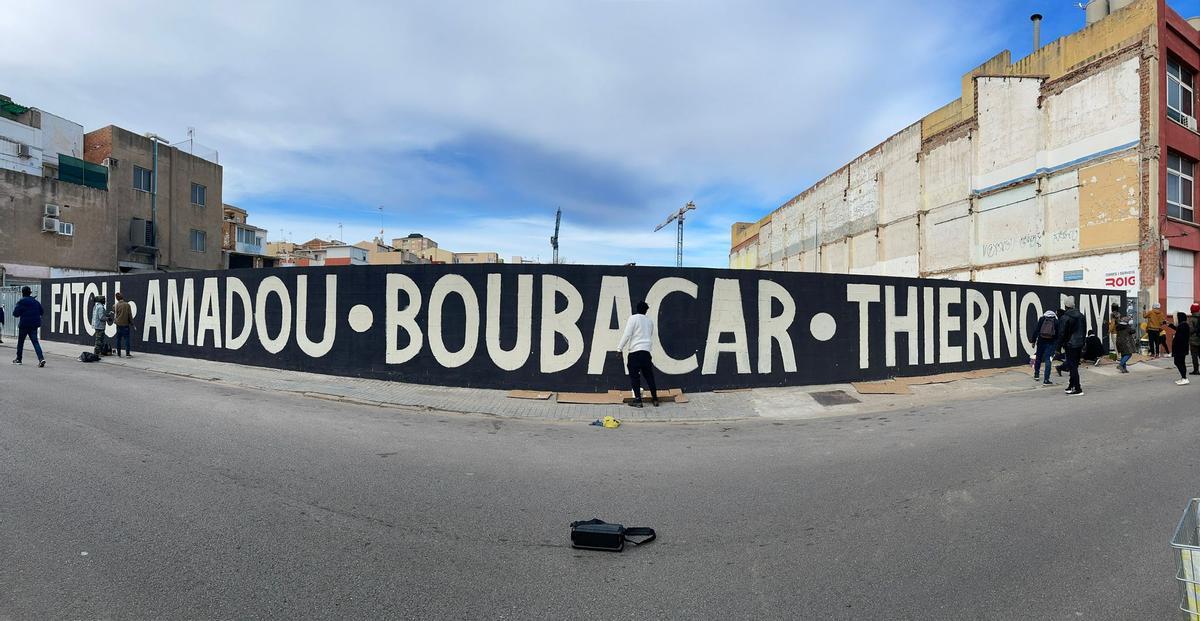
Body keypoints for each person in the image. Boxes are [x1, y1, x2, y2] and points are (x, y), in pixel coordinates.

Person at [617, 301, 659, 408]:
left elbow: (627, 334)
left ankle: (638, 400)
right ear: (646, 310)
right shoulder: (650, 322)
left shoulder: (633, 318)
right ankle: (655, 398)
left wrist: (619, 348)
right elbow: (648, 335)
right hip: (646, 352)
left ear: (637, 309)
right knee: (649, 376)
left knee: (635, 377)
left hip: (635, 352)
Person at [1058, 297, 1086, 395]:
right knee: (1073, 366)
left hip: (1070, 344)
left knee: (1072, 366)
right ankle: (1071, 386)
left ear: (1065, 306)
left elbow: (1061, 333)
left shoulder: (1065, 317)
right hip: (1079, 344)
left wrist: (1058, 347)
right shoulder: (1081, 316)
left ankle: (1078, 388)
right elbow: (1084, 330)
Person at [11, 286, 45, 367]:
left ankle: (19, 359)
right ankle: (41, 359)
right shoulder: (35, 302)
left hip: (24, 325)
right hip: (34, 325)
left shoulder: (21, 302)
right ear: (30, 293)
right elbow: (42, 311)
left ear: (23, 293)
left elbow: (15, 314)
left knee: (20, 343)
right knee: (35, 342)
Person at [1031, 310, 1058, 385]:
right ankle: (1046, 380)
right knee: (1048, 360)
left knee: (1038, 358)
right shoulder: (1056, 321)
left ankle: (1036, 375)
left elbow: (1036, 330)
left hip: (1040, 342)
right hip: (1050, 343)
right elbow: (1057, 334)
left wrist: (1033, 341)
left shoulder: (1042, 319)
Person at [1112, 303, 1135, 373]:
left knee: (1123, 355)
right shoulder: (1127, 327)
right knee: (1128, 354)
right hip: (1126, 342)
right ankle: (1120, 365)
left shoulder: (1118, 326)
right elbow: (1132, 331)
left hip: (1119, 342)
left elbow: (1116, 320)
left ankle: (1124, 369)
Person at [1170, 311, 1192, 385]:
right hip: (1181, 348)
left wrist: (1175, 339)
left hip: (1180, 348)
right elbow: (1178, 329)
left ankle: (1184, 378)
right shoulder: (1183, 325)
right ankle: (1183, 378)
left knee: (1178, 362)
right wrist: (1170, 325)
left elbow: (1180, 336)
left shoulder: (1183, 326)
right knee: (1181, 362)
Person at [113, 292, 133, 357]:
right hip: (126, 324)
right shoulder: (127, 305)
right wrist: (131, 323)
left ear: (117, 298)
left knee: (118, 339)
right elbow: (130, 315)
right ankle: (127, 353)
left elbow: (115, 314)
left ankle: (119, 353)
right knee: (127, 339)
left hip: (118, 325)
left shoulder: (115, 305)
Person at [1190, 303, 1200, 375]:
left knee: (1194, 356)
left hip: (1194, 340)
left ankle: (1196, 370)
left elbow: (1190, 330)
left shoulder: (1191, 319)